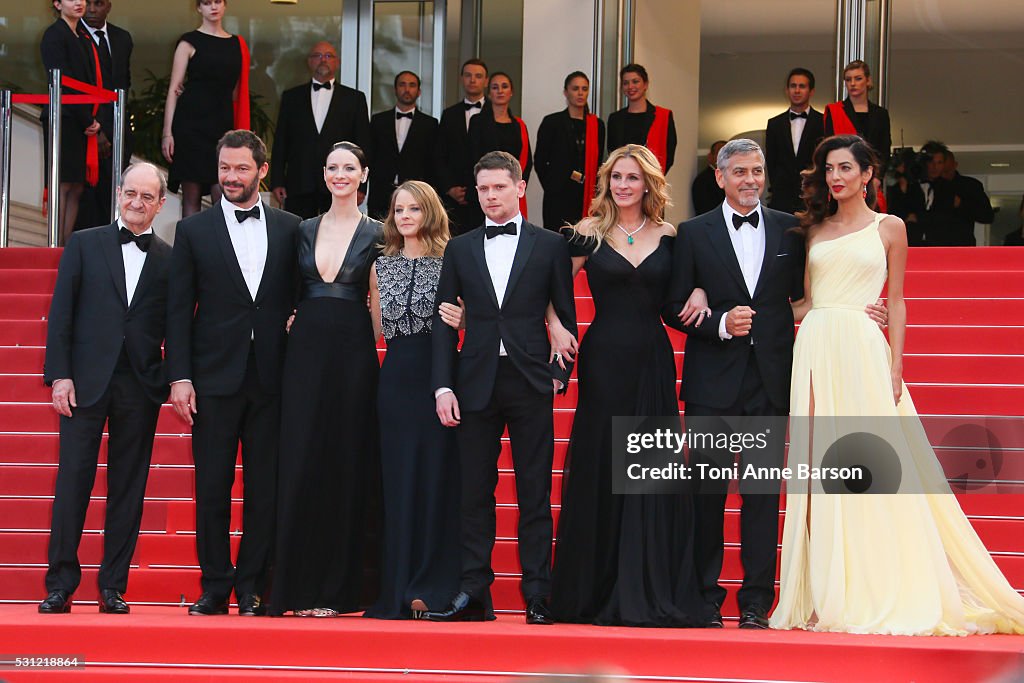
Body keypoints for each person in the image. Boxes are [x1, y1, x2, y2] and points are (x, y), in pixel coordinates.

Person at [770, 135, 1024, 635]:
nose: (835, 177)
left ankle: (876, 583)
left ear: (868, 174)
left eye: (846, 168)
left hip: (864, 350)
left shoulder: (891, 227)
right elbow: (802, 303)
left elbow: (899, 299)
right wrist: (764, 314)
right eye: (829, 169)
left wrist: (896, 361)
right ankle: (825, 592)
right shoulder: (812, 228)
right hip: (817, 345)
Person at [545, 145, 708, 627]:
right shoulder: (587, 234)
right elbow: (547, 286)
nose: (623, 185)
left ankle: (646, 586)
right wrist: (555, 322)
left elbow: (681, 295)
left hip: (653, 361)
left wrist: (699, 289)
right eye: (616, 177)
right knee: (602, 464)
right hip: (605, 360)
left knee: (649, 471)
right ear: (607, 182)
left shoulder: (673, 236)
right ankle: (595, 589)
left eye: (632, 178)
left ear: (648, 184)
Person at [425, 151, 577, 624]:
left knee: (534, 493)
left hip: (530, 380)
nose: (491, 196)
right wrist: (442, 387)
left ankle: (537, 594)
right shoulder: (460, 247)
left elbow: (565, 317)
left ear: (519, 189)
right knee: (474, 493)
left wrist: (559, 376)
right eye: (484, 189)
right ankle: (474, 593)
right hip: (474, 382)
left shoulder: (550, 245)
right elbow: (444, 324)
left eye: (499, 187)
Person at [663, 139, 807, 630]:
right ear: (720, 177)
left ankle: (755, 603)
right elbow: (674, 305)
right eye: (740, 171)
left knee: (762, 495)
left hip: (769, 380)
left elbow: (804, 296)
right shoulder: (693, 232)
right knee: (706, 492)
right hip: (712, 382)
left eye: (758, 171)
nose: (751, 179)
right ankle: (705, 597)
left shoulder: (792, 227)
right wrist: (720, 323)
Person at [166, 130, 300, 617]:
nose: (231, 178)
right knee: (213, 487)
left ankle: (252, 587)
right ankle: (215, 585)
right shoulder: (193, 231)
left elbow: (302, 297)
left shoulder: (291, 227)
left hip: (272, 377)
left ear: (262, 171)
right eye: (225, 168)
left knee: (265, 488)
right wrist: (180, 376)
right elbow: (178, 311)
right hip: (213, 378)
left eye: (242, 169)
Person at [39, 163, 172, 615]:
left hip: (140, 383)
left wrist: (173, 376)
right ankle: (60, 584)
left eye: (146, 196)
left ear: (161, 203)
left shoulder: (170, 259)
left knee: (128, 488)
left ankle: (113, 585)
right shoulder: (84, 243)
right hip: (84, 381)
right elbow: (62, 314)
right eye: (130, 193)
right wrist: (59, 374)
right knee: (72, 482)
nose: (136, 202)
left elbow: (177, 326)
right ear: (119, 193)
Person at [270, 141, 384, 617]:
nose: (340, 175)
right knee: (299, 459)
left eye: (349, 168)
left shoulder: (380, 232)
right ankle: (293, 588)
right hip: (304, 353)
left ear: (363, 175)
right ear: (323, 174)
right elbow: (285, 293)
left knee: (345, 462)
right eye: (333, 167)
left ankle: (340, 590)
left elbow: (380, 311)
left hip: (354, 353)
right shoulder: (302, 229)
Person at [363, 181, 462, 620]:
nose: (404, 216)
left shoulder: (452, 260)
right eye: (398, 209)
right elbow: (375, 332)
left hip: (439, 379)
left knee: (435, 482)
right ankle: (399, 586)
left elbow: (475, 319)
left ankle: (432, 585)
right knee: (398, 484)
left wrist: (467, 319)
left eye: (413, 209)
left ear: (430, 212)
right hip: (395, 381)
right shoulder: (380, 265)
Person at [162, 0, 250, 217]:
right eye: (206, 2)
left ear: (225, 5)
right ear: (198, 8)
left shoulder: (237, 44)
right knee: (191, 196)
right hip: (191, 124)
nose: (213, 7)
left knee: (223, 193)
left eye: (217, 1)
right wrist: (167, 133)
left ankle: (220, 250)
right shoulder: (188, 42)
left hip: (222, 125)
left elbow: (239, 93)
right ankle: (190, 251)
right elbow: (174, 89)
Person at [271, 41, 372, 219]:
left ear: (337, 62)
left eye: (328, 56)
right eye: (317, 55)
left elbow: (363, 144)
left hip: (340, 182)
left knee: (338, 236)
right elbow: (281, 142)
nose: (323, 60)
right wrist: (277, 181)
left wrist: (361, 186)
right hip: (299, 182)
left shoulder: (354, 99)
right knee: (297, 236)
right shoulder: (291, 97)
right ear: (309, 62)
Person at [41, 0, 102, 246]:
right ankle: (55, 245)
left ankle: (65, 246)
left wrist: (91, 117)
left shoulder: (82, 35)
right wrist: (87, 118)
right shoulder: (54, 35)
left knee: (77, 185)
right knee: (63, 184)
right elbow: (61, 80)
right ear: (57, 4)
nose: (79, 2)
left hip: (80, 119)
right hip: (62, 118)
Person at [73, 0, 133, 230]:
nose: (91, 10)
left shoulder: (122, 38)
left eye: (98, 4)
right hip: (85, 130)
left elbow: (124, 84)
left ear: (108, 6)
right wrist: (94, 129)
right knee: (87, 205)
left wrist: (116, 130)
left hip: (116, 130)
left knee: (114, 199)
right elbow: (74, 87)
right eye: (87, 4)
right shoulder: (74, 36)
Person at [534, 71, 606, 230]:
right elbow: (539, 160)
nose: (580, 93)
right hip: (558, 195)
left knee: (585, 239)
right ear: (566, 92)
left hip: (586, 194)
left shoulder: (597, 125)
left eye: (584, 88)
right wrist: (552, 186)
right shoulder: (552, 122)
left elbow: (600, 162)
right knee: (556, 241)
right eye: (575, 88)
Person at [366, 71, 439, 220]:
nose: (407, 89)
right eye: (402, 84)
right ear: (395, 89)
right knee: (379, 238)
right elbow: (369, 155)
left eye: (412, 85)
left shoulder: (430, 124)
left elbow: (433, 161)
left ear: (418, 92)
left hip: (416, 193)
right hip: (381, 192)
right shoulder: (378, 121)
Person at [468, 72, 532, 218]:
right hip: (485, 190)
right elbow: (473, 156)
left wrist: (513, 186)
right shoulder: (477, 121)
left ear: (511, 92)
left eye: (504, 86)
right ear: (489, 93)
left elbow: (527, 161)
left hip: (510, 190)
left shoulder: (519, 125)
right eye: (495, 87)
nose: (500, 91)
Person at [436, 58, 488, 235]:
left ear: (486, 81)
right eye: (468, 75)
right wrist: (450, 188)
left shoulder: (496, 114)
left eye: (478, 76)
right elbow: (440, 155)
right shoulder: (449, 114)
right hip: (454, 198)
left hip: (487, 196)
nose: (472, 80)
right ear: (461, 79)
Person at [765, 68, 824, 214]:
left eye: (802, 86)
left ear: (811, 92)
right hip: (781, 199)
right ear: (787, 90)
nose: (797, 90)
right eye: (793, 86)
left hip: (813, 198)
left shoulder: (823, 122)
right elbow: (771, 162)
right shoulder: (774, 124)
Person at [606, 64, 676, 174]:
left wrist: (650, 179)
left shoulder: (663, 116)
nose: (630, 86)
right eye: (626, 83)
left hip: (651, 180)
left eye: (635, 81)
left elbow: (669, 156)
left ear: (645, 84)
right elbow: (612, 153)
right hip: (622, 181)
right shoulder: (615, 119)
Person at [824, 61, 891, 167]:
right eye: (848, 79)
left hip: (873, 175)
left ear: (868, 80)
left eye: (858, 78)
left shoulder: (880, 114)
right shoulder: (834, 111)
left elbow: (884, 150)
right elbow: (829, 148)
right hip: (843, 172)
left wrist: (878, 177)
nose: (853, 83)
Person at [939, 149, 994, 246]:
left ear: (954, 165)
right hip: (933, 244)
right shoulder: (927, 186)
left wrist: (961, 204)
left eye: (946, 170)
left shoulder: (969, 186)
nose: (943, 174)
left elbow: (987, 216)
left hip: (961, 243)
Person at [691, 140, 725, 216]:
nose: (725, 158)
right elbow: (707, 211)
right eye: (720, 154)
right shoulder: (703, 181)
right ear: (710, 157)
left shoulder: (732, 178)